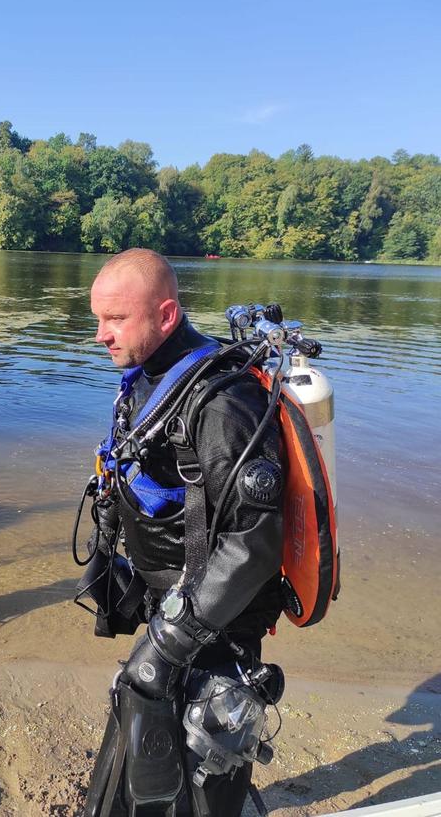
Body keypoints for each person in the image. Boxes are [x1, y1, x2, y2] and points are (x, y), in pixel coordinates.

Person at [83, 248, 284, 816]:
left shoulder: (221, 401)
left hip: (217, 621)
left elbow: (256, 541)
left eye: (116, 319)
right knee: (147, 739)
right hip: (171, 601)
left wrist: (173, 640)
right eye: (98, 318)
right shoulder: (146, 377)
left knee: (210, 762)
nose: (101, 334)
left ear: (166, 316)